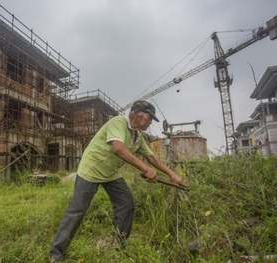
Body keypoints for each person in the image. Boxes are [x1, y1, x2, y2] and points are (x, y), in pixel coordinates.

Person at [49, 100, 187, 262]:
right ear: (136, 113)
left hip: (110, 173)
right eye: (149, 118)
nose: (150, 122)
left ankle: (118, 247)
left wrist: (172, 175)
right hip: (91, 170)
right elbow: (118, 148)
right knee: (77, 211)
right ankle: (55, 254)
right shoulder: (118, 122)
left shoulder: (137, 136)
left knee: (126, 204)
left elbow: (151, 158)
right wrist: (145, 169)